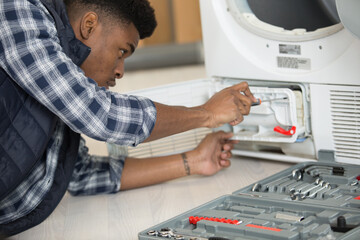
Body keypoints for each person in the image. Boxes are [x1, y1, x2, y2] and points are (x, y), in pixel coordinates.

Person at [0, 0, 256, 236]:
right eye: (122, 51)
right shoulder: (19, 10)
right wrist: (206, 114)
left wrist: (194, 160)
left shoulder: (61, 81)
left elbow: (80, 174)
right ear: (89, 26)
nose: (120, 71)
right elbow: (101, 115)